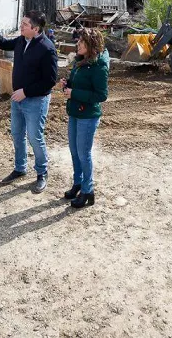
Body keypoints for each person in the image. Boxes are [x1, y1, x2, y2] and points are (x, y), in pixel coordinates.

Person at [0, 11, 58, 193]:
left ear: (35, 28)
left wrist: (26, 92)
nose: (21, 27)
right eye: (21, 23)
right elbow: (3, 43)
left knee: (35, 137)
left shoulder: (47, 49)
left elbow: (49, 81)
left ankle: (42, 172)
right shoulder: (22, 40)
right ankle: (20, 168)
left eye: (24, 24)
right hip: (18, 99)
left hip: (36, 101)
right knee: (17, 134)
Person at [58, 27, 108, 208]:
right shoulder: (80, 61)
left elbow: (101, 95)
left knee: (83, 154)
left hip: (87, 116)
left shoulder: (99, 66)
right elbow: (77, 84)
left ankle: (88, 191)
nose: (77, 44)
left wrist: (74, 93)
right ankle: (78, 184)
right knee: (74, 151)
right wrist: (67, 84)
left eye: (81, 42)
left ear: (91, 45)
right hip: (74, 112)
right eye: (78, 41)